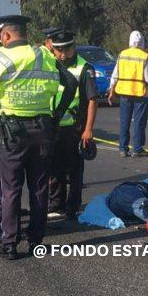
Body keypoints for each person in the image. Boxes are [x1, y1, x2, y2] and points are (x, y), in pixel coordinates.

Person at [0, 15, 78, 260]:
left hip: (12, 132)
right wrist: (55, 116)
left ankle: (9, 243)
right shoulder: (43, 55)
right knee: (39, 187)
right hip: (43, 129)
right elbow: (71, 83)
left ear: (5, 35)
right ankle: (36, 241)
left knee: (10, 189)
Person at [42, 27, 98, 221]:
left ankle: (72, 207)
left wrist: (88, 129)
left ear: (73, 47)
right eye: (59, 50)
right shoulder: (51, 64)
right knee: (54, 168)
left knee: (74, 169)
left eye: (67, 49)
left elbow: (92, 99)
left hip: (74, 127)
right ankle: (55, 205)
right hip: (53, 125)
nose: (63, 54)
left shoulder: (84, 68)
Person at [109, 30, 148, 158]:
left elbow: (115, 75)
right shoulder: (144, 56)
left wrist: (111, 91)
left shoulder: (122, 54)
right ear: (142, 42)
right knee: (139, 122)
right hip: (140, 93)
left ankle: (123, 149)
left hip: (124, 93)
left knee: (125, 121)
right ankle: (137, 149)